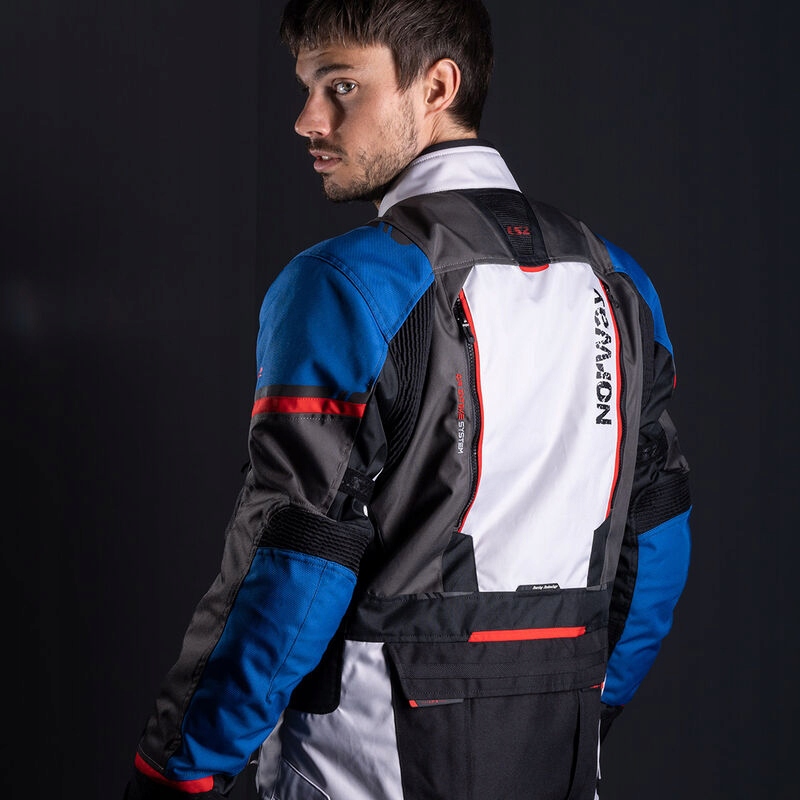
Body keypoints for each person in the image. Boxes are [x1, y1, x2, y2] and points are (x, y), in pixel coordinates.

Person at [125, 1, 692, 798]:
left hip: (362, 770)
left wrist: (182, 768)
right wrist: (580, 712)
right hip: (557, 762)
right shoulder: (620, 284)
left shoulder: (345, 284)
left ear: (437, 86)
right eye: (307, 88)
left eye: (341, 86)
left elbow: (292, 560)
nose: (306, 119)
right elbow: (657, 540)